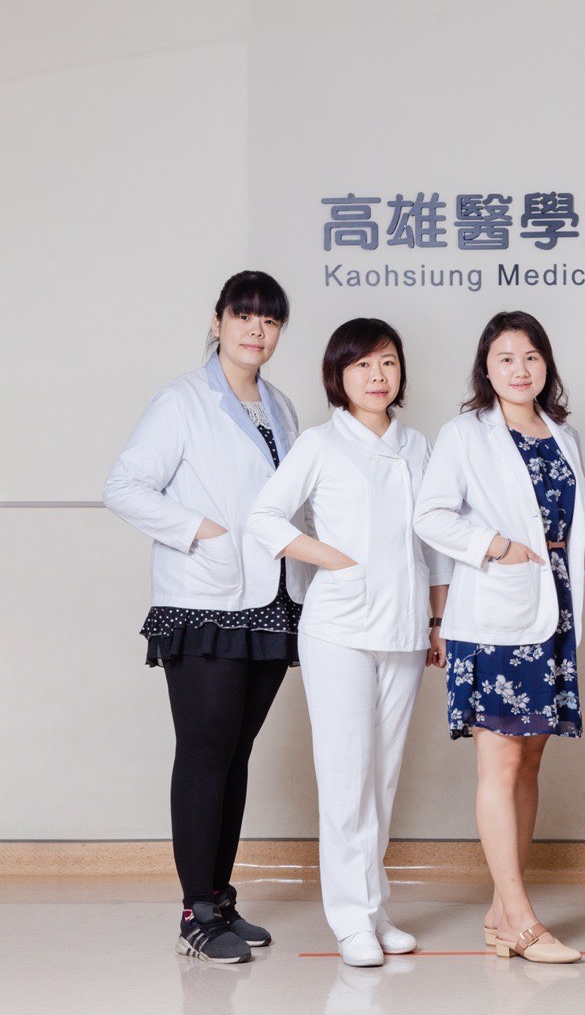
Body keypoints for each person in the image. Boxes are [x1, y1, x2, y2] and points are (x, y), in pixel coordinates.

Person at [104, 271, 305, 964]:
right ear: (217, 322)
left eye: (269, 320)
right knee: (205, 751)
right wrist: (202, 531)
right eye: (243, 315)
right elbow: (124, 487)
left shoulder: (281, 406)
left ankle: (219, 898)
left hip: (271, 602)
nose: (256, 330)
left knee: (235, 754)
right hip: (204, 600)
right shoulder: (181, 401)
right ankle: (196, 912)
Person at [247, 318, 452, 967]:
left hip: (405, 629)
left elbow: (435, 541)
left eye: (387, 362)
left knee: (381, 778)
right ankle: (349, 919)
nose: (376, 376)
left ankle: (372, 908)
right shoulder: (320, 444)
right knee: (345, 776)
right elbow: (263, 517)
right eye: (361, 364)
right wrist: (329, 558)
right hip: (339, 629)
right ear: (338, 376)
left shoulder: (418, 445)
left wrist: (438, 621)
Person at [413, 312, 585, 965]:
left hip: (553, 611)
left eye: (531, 356)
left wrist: (582, 549)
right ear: (485, 369)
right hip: (493, 620)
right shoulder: (466, 433)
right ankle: (520, 920)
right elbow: (430, 515)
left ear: (547, 365)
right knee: (501, 765)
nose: (520, 369)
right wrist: (497, 546)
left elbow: (579, 512)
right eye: (506, 358)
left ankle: (498, 912)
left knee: (532, 763)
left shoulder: (565, 434)